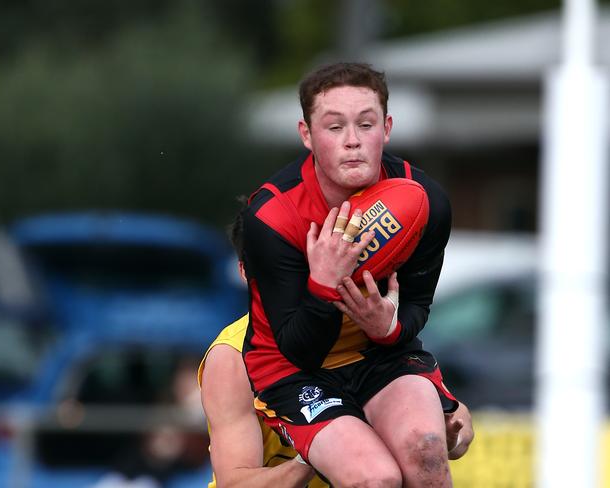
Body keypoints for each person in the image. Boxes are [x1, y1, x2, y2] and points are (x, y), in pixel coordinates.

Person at [241, 62, 460, 487]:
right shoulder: (272, 216)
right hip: (294, 367)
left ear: (388, 128)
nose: (353, 141)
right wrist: (323, 283)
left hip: (380, 354)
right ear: (307, 135)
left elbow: (418, 305)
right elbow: (297, 347)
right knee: (373, 479)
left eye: (366, 123)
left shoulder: (424, 201)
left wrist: (389, 327)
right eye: (334, 127)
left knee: (427, 451)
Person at [197, 204, 474, 488]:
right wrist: (314, 450)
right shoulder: (232, 357)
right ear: (246, 273)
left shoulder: (358, 322)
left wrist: (447, 438)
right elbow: (236, 483)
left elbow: (459, 421)